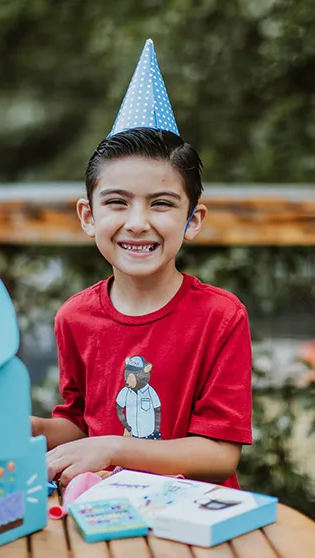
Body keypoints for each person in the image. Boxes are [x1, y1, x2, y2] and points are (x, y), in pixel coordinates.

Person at [31, 40, 252, 489]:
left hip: (191, 524)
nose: (137, 223)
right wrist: (20, 428)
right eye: (117, 202)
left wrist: (113, 447)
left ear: (193, 220)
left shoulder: (222, 317)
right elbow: (79, 427)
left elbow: (219, 453)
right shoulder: (74, 317)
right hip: (100, 515)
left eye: (162, 204)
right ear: (88, 216)